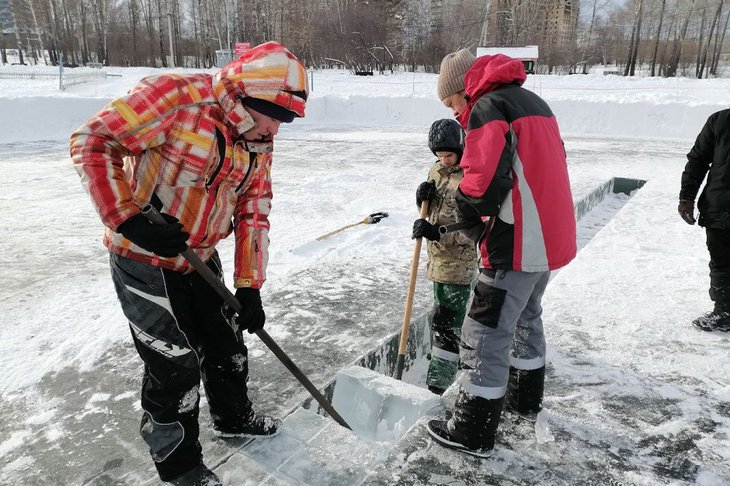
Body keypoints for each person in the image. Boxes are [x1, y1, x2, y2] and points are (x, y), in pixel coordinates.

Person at [70, 42, 308, 485]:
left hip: (199, 255)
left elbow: (254, 207)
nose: (277, 128)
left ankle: (233, 416)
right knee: (174, 363)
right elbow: (92, 141)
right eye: (272, 114)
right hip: (142, 255)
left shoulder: (259, 138)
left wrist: (250, 285)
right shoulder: (176, 97)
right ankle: (179, 466)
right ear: (241, 99)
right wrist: (128, 218)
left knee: (227, 342)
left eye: (286, 119)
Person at [426, 49, 577, 458]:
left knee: (484, 332)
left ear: (463, 89)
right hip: (549, 235)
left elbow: (482, 181)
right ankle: (523, 399)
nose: (456, 112)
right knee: (527, 318)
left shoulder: (489, 106)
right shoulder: (533, 103)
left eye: (453, 102)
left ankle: (472, 429)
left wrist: (465, 211)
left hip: (517, 240)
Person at [411, 118, 478, 396]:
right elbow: (432, 208)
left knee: (446, 323)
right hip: (437, 262)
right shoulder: (437, 171)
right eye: (438, 156)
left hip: (459, 265)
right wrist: (420, 199)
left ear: (461, 148)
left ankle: (440, 381)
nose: (443, 160)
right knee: (443, 317)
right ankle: (449, 359)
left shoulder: (472, 177)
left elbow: (474, 227)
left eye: (448, 155)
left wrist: (437, 233)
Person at [679, 108, 730, 332]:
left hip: (718, 207)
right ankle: (724, 312)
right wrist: (686, 197)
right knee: (721, 262)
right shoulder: (720, 121)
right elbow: (698, 160)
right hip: (720, 207)